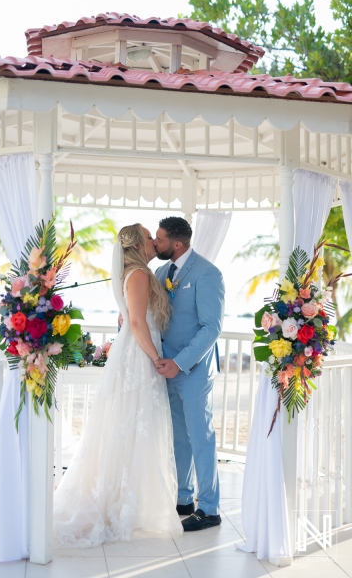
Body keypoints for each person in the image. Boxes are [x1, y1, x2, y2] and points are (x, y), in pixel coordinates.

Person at [54, 224, 182, 547]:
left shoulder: (138, 273)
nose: (154, 240)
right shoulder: (138, 275)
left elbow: (132, 318)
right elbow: (137, 323)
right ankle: (116, 505)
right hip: (139, 358)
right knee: (133, 426)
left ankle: (128, 502)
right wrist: (156, 358)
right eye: (148, 236)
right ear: (138, 244)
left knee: (130, 429)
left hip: (136, 352)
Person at [154, 216, 225, 532]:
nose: (155, 244)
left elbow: (212, 327)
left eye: (160, 239)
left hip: (193, 369)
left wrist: (180, 362)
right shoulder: (159, 272)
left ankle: (209, 508)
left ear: (177, 243)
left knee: (201, 437)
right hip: (163, 369)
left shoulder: (209, 274)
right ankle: (183, 499)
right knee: (178, 438)